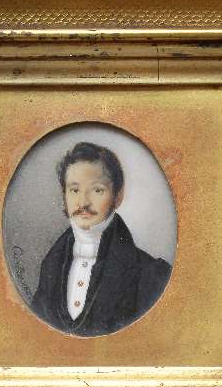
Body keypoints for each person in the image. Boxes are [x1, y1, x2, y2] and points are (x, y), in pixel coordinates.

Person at [31, 141, 171, 336]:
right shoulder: (51, 266)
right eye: (74, 190)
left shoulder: (150, 274)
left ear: (118, 196)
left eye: (97, 190)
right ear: (64, 196)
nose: (83, 202)